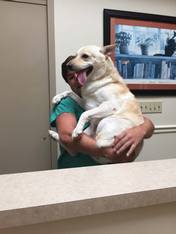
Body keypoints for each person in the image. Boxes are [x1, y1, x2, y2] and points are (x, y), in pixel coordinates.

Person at [50, 56, 154, 169]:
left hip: (111, 171)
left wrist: (140, 130)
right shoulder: (66, 103)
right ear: (68, 83)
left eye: (81, 74)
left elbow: (145, 123)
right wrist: (107, 152)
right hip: (77, 171)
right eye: (71, 77)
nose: (78, 80)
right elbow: (67, 136)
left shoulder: (105, 94)